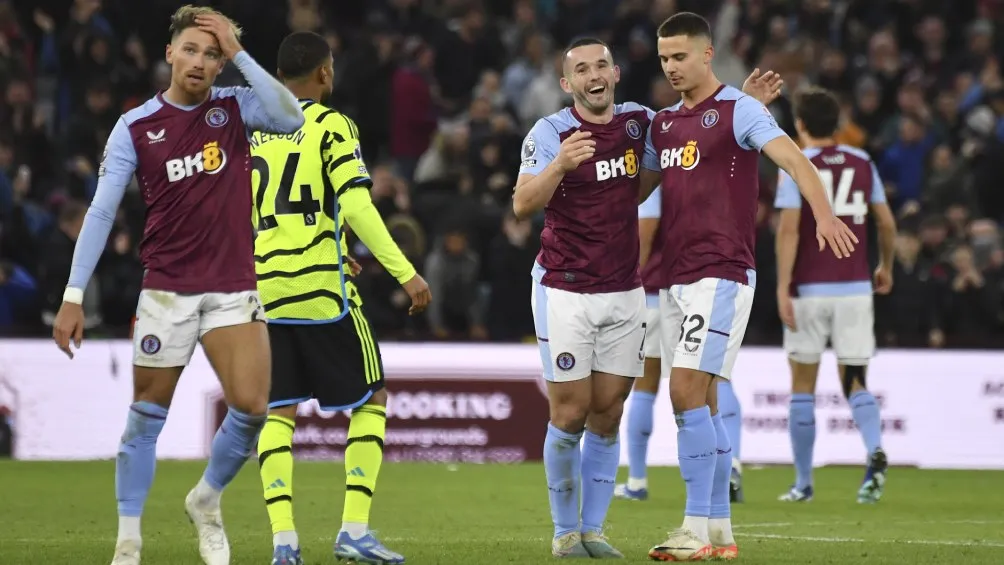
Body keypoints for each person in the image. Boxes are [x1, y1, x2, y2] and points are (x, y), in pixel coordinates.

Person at [50, 6, 305, 565]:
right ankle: (128, 542)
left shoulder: (235, 108)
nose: (199, 61)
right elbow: (99, 212)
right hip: (166, 290)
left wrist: (239, 52)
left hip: (233, 286)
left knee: (253, 407)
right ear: (169, 53)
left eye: (212, 55)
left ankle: (206, 500)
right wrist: (72, 296)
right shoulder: (135, 126)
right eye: (191, 49)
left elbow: (292, 118)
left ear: (220, 66)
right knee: (147, 414)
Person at [512, 37, 781, 559]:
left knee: (608, 413)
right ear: (568, 84)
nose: (593, 76)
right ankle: (565, 532)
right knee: (569, 413)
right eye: (581, 70)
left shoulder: (640, 123)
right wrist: (561, 165)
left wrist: (744, 107)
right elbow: (523, 203)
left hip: (625, 291)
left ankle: (594, 531)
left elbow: (689, 143)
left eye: (601, 66)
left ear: (614, 74)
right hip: (564, 288)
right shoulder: (550, 133)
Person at [639, 13, 858, 562]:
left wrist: (825, 215)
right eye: (664, 58)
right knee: (705, 400)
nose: (671, 67)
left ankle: (691, 527)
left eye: (681, 56)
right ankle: (718, 530)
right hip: (675, 278)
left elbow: (795, 160)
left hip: (723, 271)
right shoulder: (663, 124)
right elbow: (638, 191)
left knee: (684, 391)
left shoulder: (740, 112)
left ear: (708, 54)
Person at [250, 31, 430, 565]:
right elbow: (355, 206)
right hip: (324, 292)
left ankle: (284, 543)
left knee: (279, 410)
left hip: (266, 290)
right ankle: (353, 531)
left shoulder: (255, 128)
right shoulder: (330, 125)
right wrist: (406, 273)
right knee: (371, 400)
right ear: (325, 74)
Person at [774, 87, 897, 505]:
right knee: (856, 380)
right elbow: (886, 222)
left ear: (801, 125)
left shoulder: (796, 163)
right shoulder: (863, 163)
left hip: (809, 288)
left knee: (803, 388)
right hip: (855, 289)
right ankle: (874, 447)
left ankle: (804, 483)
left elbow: (789, 229)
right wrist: (886, 267)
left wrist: (781, 285)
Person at [615, 188, 747, 504]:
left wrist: (627, 283)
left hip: (652, 293)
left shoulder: (657, 177)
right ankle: (732, 466)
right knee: (713, 378)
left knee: (645, 386)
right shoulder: (698, 173)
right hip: (696, 288)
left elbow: (646, 233)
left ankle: (637, 479)